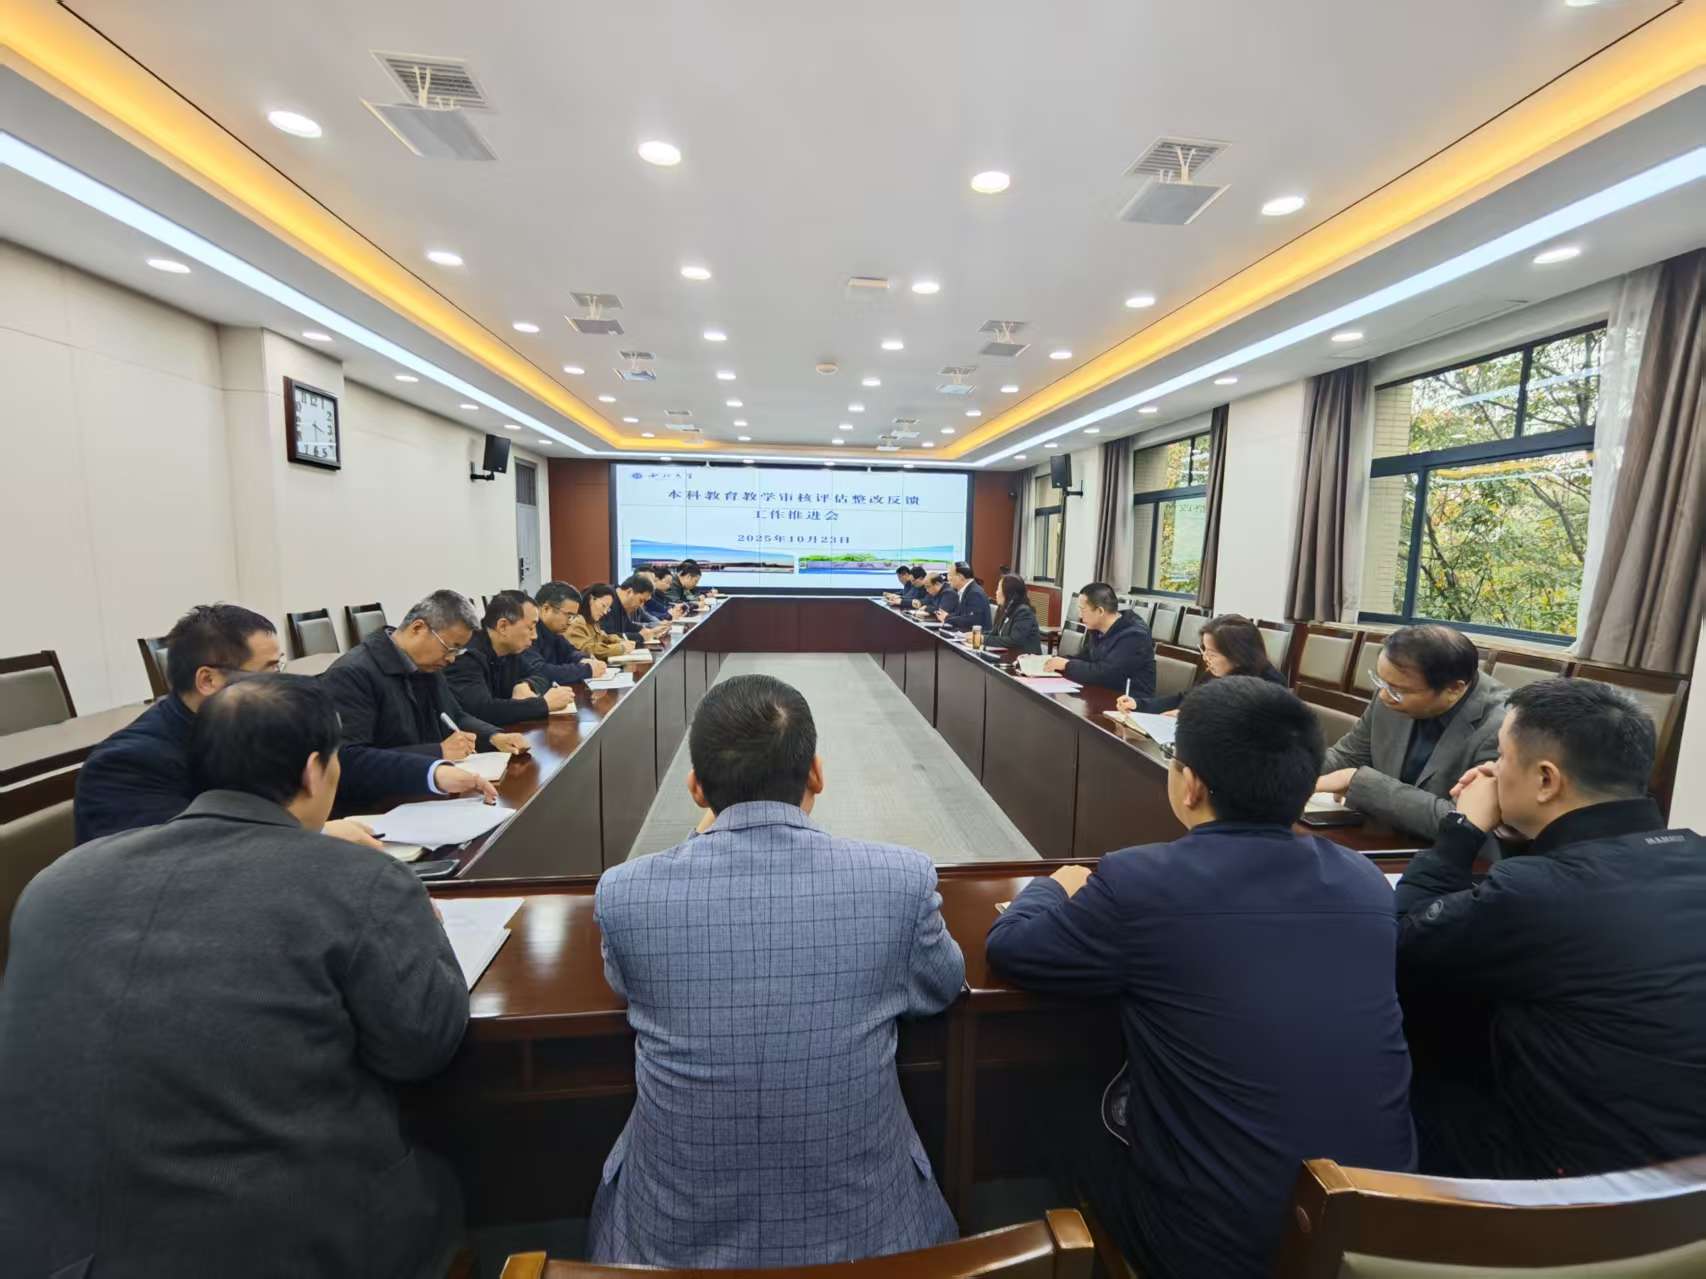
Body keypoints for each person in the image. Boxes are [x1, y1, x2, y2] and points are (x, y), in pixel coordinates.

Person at [0, 675, 470, 1278]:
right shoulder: (359, 879)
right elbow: (421, 1049)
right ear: (314, 771)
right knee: (454, 1180)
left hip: (46, 1247)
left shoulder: (56, 880)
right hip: (271, 1248)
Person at [987, 676, 1414, 1278]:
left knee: (1060, 1110)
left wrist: (1051, 886)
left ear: (1189, 784)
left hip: (1219, 1249)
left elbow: (1013, 949)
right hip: (1378, 1231)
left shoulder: (1140, 881)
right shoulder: (1365, 882)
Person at [589, 674, 963, 1267]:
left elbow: (625, 984)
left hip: (667, 1251)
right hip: (874, 1246)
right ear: (816, 774)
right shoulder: (899, 880)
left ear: (695, 788)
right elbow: (941, 986)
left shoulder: (627, 894)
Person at [1395, 678, 1705, 1179]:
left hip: (1586, 1191)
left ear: (1546, 779)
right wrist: (1522, 830)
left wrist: (1461, 831)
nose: (1493, 772)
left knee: (1399, 1050)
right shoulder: (1691, 853)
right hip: (1685, 1180)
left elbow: (1401, 943)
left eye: (1501, 757)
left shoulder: (1537, 893)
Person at [73, 603, 380, 849]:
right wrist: (314, 833)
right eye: (269, 671)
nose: (282, 684)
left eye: (280, 667)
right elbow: (174, 856)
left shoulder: (258, 728)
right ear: (208, 680)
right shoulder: (128, 763)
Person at [321, 589, 522, 808]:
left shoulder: (427, 665)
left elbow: (454, 716)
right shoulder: (352, 674)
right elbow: (347, 760)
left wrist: (493, 736)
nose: (452, 659)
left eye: (458, 651)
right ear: (418, 628)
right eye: (450, 648)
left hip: (426, 794)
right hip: (378, 806)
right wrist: (437, 753)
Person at [1315, 624, 1507, 838]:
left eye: (1397, 690)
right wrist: (1294, 770)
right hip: (1383, 834)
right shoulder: (1393, 687)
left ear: (1454, 689)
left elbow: (1464, 821)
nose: (1383, 696)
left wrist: (1358, 782)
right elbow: (1347, 756)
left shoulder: (1501, 726)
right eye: (1381, 682)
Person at [446, 590, 577, 726]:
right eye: (530, 628)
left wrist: (526, 684)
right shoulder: (466, 657)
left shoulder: (510, 650)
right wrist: (543, 704)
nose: (535, 636)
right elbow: (483, 710)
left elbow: (541, 675)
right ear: (503, 626)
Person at [1115, 614, 1283, 716]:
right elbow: (1185, 699)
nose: (1205, 658)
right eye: (1204, 650)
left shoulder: (1270, 686)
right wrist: (1139, 705)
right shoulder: (1217, 671)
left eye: (1212, 654)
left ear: (1238, 655)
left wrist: (1190, 717)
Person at [1044, 582, 1156, 696]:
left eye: (1082, 610)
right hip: (1103, 692)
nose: (1080, 616)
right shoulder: (1098, 629)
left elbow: (1107, 674)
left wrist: (1067, 665)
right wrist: (1054, 661)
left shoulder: (1134, 635)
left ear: (1100, 611)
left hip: (1130, 700)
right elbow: (1084, 658)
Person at [527, 581, 606, 684]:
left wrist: (583, 659)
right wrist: (587, 670)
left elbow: (570, 652)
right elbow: (540, 671)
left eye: (573, 617)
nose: (570, 622)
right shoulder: (528, 633)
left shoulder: (554, 632)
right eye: (568, 616)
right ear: (546, 609)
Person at [570, 583, 636, 658]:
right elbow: (588, 650)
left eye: (607, 609)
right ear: (591, 599)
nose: (605, 612)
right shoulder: (577, 621)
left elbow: (605, 637)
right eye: (603, 606)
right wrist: (621, 648)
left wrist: (621, 641)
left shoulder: (592, 622)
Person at [605, 574, 672, 643]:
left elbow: (627, 626)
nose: (641, 606)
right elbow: (606, 636)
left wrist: (649, 631)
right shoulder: (606, 599)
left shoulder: (621, 602)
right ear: (629, 592)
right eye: (641, 600)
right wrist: (639, 636)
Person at [987, 573, 1042, 655]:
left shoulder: (1023, 612)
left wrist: (982, 639)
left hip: (1025, 659)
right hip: (1008, 655)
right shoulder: (1004, 608)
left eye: (998, 589)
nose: (996, 592)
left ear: (1008, 593)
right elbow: (994, 633)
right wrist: (976, 635)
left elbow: (1014, 641)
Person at [939, 561, 991, 632]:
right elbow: (962, 614)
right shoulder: (967, 590)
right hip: (966, 632)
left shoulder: (975, 593)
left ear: (960, 577)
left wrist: (947, 618)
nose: (948, 578)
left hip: (976, 635)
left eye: (950, 575)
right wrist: (948, 616)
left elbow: (972, 620)